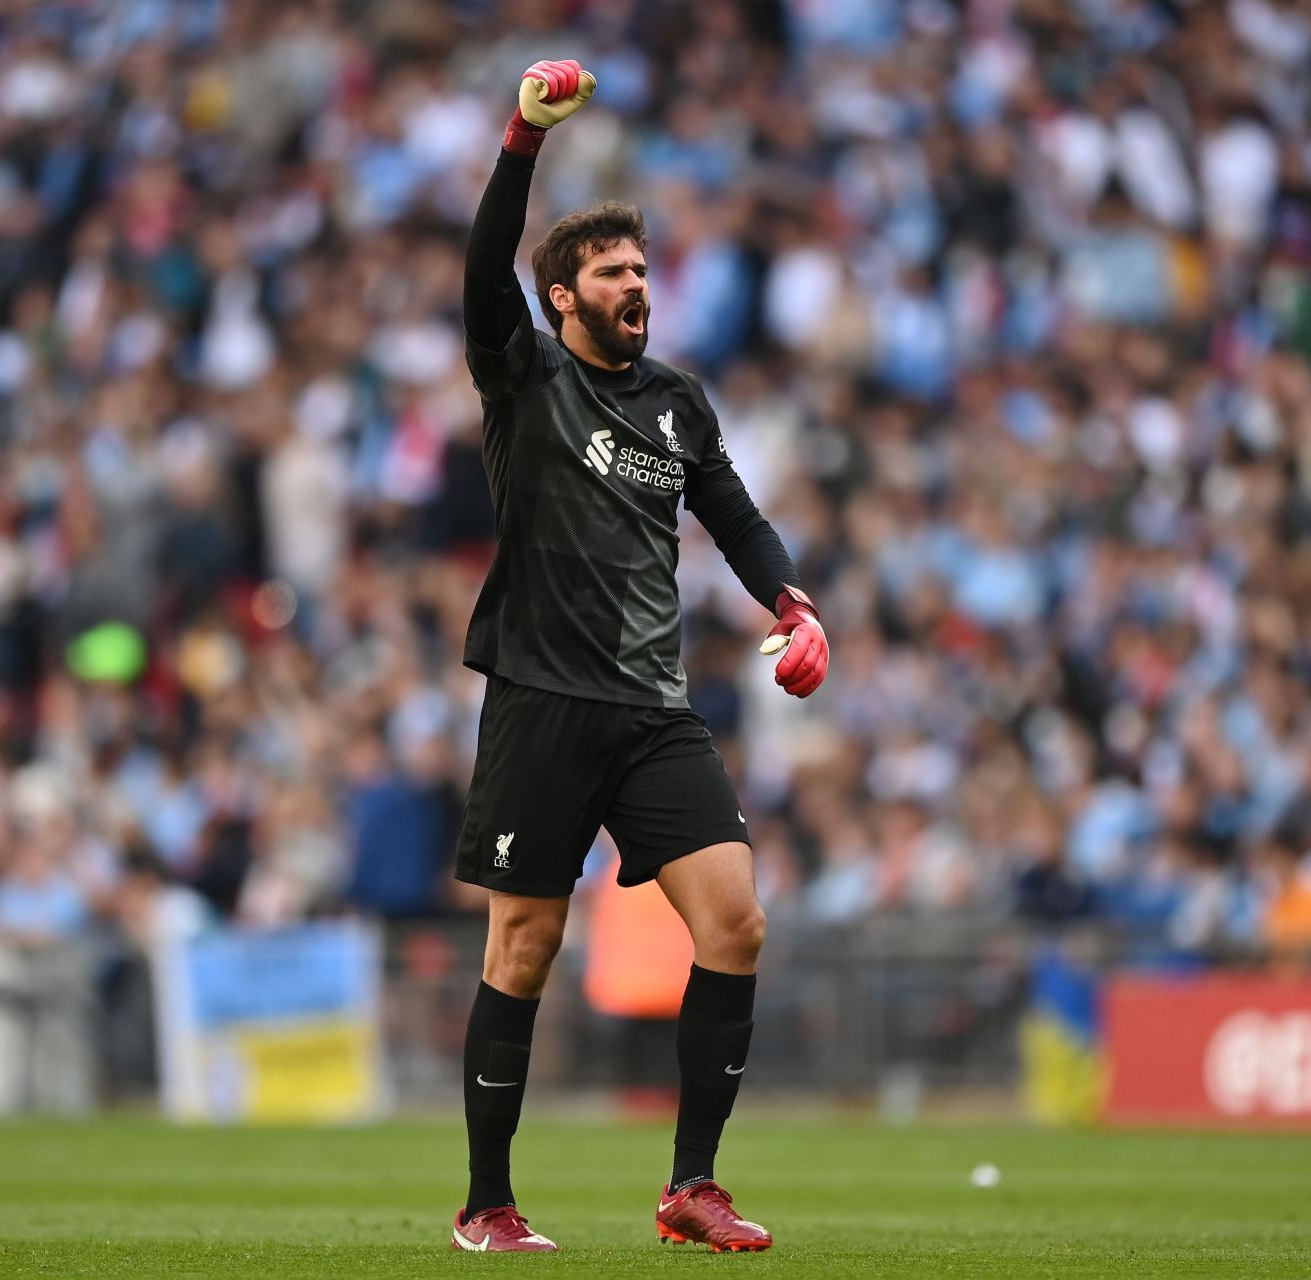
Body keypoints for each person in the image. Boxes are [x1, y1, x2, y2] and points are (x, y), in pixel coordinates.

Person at [447, 59, 829, 1254]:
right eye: (612, 272)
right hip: (543, 697)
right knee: (526, 942)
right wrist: (523, 139)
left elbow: (734, 512)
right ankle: (488, 1202)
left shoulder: (677, 403)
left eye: (643, 271)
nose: (636, 286)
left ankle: (690, 1185)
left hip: (652, 707)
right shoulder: (525, 375)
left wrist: (790, 597)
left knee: (738, 922)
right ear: (561, 297)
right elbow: (479, 271)